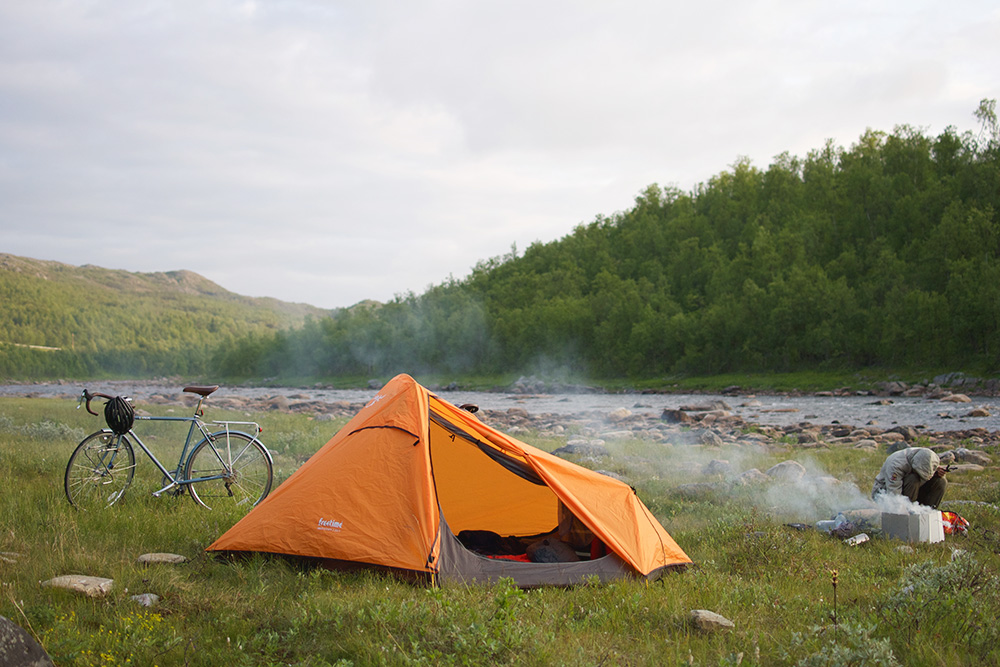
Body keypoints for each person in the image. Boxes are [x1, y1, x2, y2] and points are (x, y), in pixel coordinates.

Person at [871, 447, 947, 508]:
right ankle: (911, 512)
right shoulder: (896, 465)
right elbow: (894, 495)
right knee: (913, 478)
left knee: (941, 481)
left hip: (914, 492)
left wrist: (936, 472)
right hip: (886, 494)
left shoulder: (927, 457)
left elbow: (928, 468)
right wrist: (902, 510)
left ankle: (928, 513)